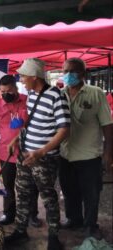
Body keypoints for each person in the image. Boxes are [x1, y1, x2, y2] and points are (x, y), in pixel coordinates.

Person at [4, 58, 70, 250]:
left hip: (45, 159)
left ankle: (53, 236)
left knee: (48, 197)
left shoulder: (56, 96)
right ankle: (20, 230)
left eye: (23, 76)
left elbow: (65, 129)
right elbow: (29, 124)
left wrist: (41, 152)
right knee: (22, 194)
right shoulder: (31, 95)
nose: (21, 79)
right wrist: (16, 139)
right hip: (25, 155)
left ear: (34, 77)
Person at [59, 58, 113, 239]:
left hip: (89, 155)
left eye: (72, 71)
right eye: (65, 71)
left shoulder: (96, 93)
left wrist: (108, 153)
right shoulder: (59, 94)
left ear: (82, 74)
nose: (68, 75)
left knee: (91, 195)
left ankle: (90, 225)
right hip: (65, 154)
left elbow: (107, 124)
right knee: (69, 191)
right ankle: (73, 219)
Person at [0, 75, 41, 227]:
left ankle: (32, 214)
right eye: (2, 91)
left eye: (9, 90)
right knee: (8, 186)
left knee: (31, 185)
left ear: (16, 88)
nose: (5, 94)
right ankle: (9, 213)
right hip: (6, 154)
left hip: (28, 152)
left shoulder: (28, 101)